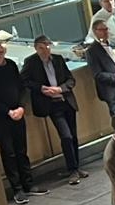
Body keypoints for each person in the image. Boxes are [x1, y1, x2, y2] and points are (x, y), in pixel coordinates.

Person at [0, 40, 40, 205]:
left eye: (0, 53)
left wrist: (21, 107)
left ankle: (28, 184)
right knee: (8, 152)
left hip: (17, 113)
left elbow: (21, 88)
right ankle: (17, 189)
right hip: (0, 118)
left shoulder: (11, 65)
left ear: (5, 52)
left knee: (21, 150)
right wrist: (7, 111)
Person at [20, 35, 82, 184]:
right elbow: (24, 80)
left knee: (73, 136)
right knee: (66, 136)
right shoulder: (31, 62)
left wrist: (60, 89)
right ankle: (72, 169)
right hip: (52, 105)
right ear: (36, 48)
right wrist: (41, 88)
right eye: (41, 48)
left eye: (47, 47)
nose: (45, 50)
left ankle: (76, 167)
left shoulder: (58, 59)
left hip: (66, 101)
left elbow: (71, 79)